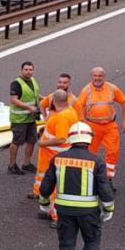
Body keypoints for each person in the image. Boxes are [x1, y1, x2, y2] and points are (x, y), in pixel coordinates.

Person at [38, 122, 115, 250]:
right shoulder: (96, 161)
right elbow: (105, 189)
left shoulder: (58, 159)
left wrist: (44, 203)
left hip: (64, 211)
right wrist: (108, 208)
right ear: (89, 139)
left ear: (71, 138)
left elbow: (46, 186)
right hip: (89, 212)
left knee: (67, 243)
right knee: (92, 240)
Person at [73, 67, 125, 183]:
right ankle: (89, 179)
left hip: (110, 125)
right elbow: (78, 107)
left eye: (100, 76)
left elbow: (124, 103)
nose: (97, 78)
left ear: (104, 77)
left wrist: (124, 121)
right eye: (95, 76)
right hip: (92, 126)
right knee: (90, 153)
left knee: (113, 152)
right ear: (91, 76)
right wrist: (83, 123)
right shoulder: (87, 90)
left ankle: (108, 179)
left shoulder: (112, 88)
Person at [33, 90, 78, 229]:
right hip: (54, 156)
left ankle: (57, 216)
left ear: (54, 101)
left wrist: (42, 143)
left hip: (54, 156)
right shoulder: (68, 111)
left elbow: (61, 138)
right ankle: (51, 211)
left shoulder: (62, 117)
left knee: (55, 189)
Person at [7, 61, 40, 175]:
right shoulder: (16, 83)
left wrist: (44, 99)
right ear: (21, 70)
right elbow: (14, 100)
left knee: (32, 140)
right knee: (16, 142)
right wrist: (28, 107)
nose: (28, 72)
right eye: (26, 70)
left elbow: (35, 95)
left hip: (31, 118)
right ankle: (12, 165)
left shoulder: (33, 81)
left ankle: (26, 163)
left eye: (30, 70)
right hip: (19, 119)